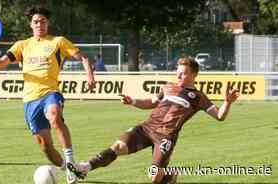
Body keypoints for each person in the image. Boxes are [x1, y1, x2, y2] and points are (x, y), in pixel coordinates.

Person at [68, 57, 239, 184]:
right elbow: (150, 103)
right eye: (178, 71)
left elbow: (219, 116)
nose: (179, 75)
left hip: (166, 137)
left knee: (154, 176)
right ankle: (84, 168)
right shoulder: (167, 87)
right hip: (146, 128)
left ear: (194, 75)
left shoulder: (199, 97)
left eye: (184, 72)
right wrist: (132, 101)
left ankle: (170, 176)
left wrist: (227, 102)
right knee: (118, 147)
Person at [0, 5, 95, 184]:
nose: (39, 24)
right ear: (30, 24)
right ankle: (67, 169)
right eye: (36, 21)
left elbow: (83, 58)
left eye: (43, 21)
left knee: (54, 117)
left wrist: (90, 76)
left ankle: (71, 163)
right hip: (30, 100)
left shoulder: (58, 41)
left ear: (47, 23)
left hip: (50, 93)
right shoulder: (22, 45)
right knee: (45, 147)